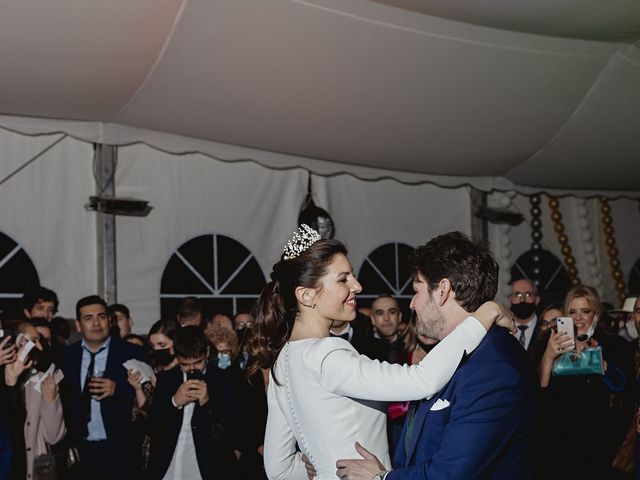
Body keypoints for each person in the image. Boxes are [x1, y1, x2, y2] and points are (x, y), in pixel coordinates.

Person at [247, 225, 512, 480]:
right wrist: (484, 314)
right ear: (306, 296)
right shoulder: (328, 354)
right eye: (343, 279)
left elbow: (278, 468)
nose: (357, 286)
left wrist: (323, 470)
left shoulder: (285, 358)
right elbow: (422, 380)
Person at [335, 231, 537, 480]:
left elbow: (450, 474)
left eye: (417, 291)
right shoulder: (448, 352)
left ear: (442, 291)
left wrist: (382, 479)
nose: (411, 304)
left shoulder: (494, 368)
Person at [537, 285, 636, 480]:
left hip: (598, 444)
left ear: (596, 315)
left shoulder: (614, 346)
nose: (578, 318)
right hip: (557, 443)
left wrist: (599, 360)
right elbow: (540, 389)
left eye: (586, 311)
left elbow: (623, 387)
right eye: (572, 312)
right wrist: (549, 355)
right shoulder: (551, 344)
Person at [60, 295, 144, 480]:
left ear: (109, 321)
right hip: (81, 451)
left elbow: (149, 398)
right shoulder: (67, 356)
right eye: (88, 318)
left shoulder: (132, 353)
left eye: (102, 317)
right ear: (78, 325)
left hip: (120, 451)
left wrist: (119, 390)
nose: (96, 323)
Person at [146, 326, 237, 479]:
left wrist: (207, 402)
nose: (191, 368)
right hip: (167, 465)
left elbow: (230, 430)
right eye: (184, 365)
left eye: (197, 362)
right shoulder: (166, 379)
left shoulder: (224, 379)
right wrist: (174, 402)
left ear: (207, 353)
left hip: (206, 467)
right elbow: (152, 426)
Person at [3, 319, 65, 480]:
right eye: (33, 341)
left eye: (41, 341)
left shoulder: (39, 380)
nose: (39, 347)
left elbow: (53, 437)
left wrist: (50, 401)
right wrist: (10, 381)